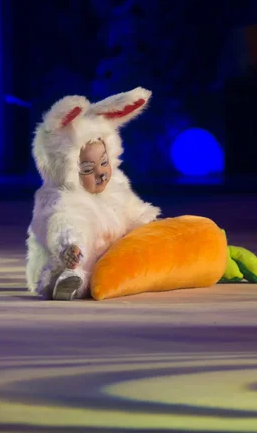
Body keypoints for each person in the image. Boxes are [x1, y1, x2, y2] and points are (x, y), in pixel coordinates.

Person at [25, 87, 161, 300]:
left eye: (104, 163)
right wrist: (69, 246)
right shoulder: (60, 198)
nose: (100, 173)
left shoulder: (116, 186)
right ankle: (70, 277)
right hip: (74, 257)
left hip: (110, 258)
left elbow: (131, 210)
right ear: (69, 169)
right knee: (73, 234)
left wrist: (146, 222)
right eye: (88, 169)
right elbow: (60, 224)